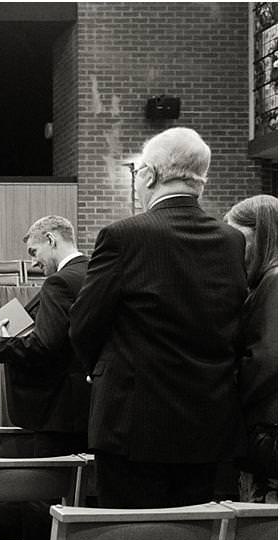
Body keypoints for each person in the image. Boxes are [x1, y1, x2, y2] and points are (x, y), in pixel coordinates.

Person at [69, 127, 247, 509]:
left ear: (149, 175)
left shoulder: (124, 236)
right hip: (208, 421)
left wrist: (96, 369)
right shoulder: (232, 240)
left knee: (132, 538)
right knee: (194, 538)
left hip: (132, 422)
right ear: (201, 179)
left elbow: (84, 322)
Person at [0, 214, 90, 540]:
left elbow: (46, 345)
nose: (33, 262)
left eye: (34, 251)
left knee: (42, 502)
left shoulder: (61, 282)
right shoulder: (95, 273)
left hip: (58, 413)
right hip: (91, 409)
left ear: (51, 239)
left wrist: (1, 344)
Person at [225, 194, 278, 504]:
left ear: (262, 235)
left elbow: (268, 358)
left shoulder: (273, 282)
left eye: (239, 239)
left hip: (268, 431)